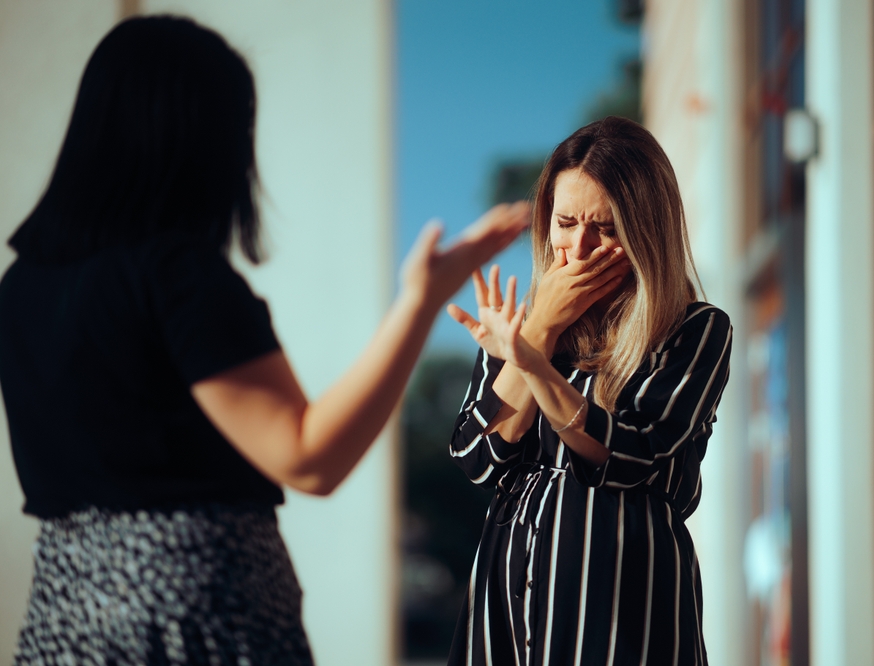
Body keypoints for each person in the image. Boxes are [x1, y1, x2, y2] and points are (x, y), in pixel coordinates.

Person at [0, 15, 528, 666]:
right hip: (195, 615)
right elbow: (308, 458)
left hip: (63, 618)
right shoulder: (177, 275)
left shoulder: (21, 287)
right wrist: (420, 300)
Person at [446, 116, 733, 665]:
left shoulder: (695, 330)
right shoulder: (523, 323)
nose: (579, 247)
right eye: (566, 222)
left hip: (622, 603)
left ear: (647, 229)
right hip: (506, 603)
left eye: (605, 227)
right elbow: (479, 459)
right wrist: (538, 335)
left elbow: (627, 454)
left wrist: (531, 362)